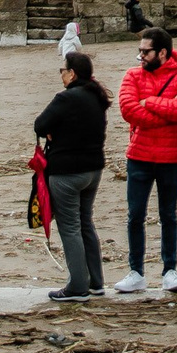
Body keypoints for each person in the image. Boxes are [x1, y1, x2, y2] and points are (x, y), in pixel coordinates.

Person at [115, 25, 177, 293]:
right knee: (135, 215)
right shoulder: (131, 75)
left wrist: (148, 102)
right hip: (139, 155)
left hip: (171, 157)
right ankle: (136, 270)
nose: (140, 57)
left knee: (168, 215)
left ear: (162, 52)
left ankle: (169, 269)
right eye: (139, 51)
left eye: (145, 52)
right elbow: (128, 110)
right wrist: (162, 111)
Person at [36, 50, 111, 303]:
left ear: (72, 73)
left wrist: (52, 132)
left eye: (62, 70)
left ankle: (77, 286)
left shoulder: (66, 97)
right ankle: (96, 282)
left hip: (67, 171)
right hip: (94, 169)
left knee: (69, 228)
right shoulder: (97, 97)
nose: (61, 74)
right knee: (85, 222)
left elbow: (40, 124)